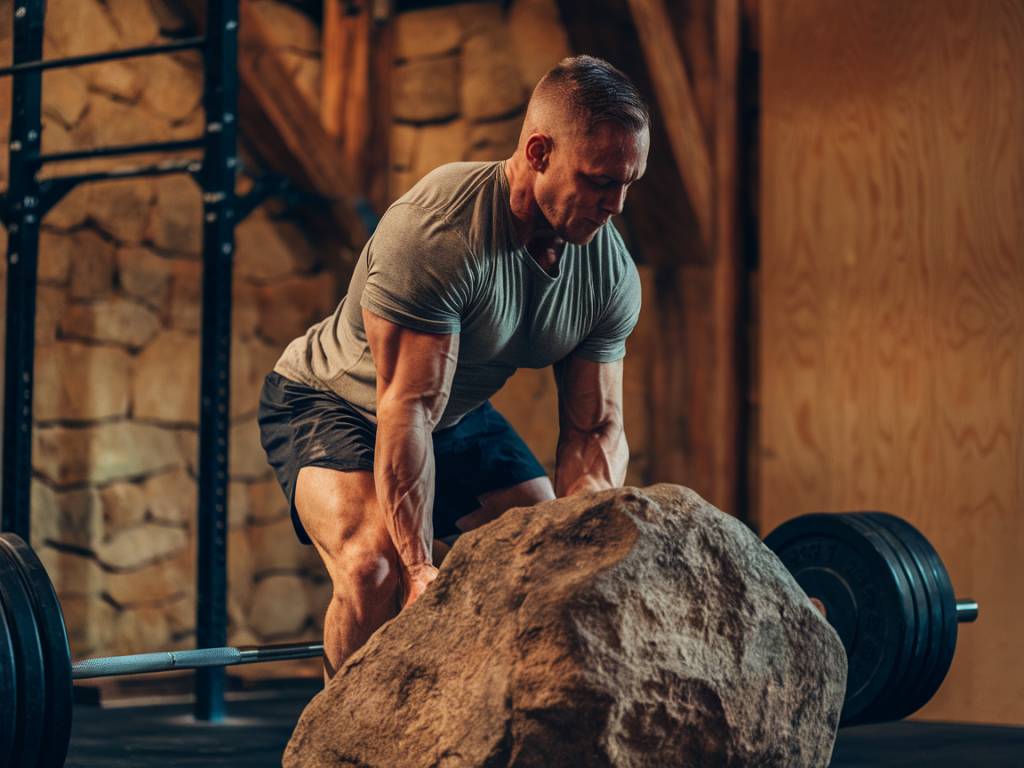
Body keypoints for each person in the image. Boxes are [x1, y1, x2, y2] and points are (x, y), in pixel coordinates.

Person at [258, 55, 650, 678]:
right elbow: (405, 408)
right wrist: (419, 569)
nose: (617, 204)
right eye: (600, 180)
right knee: (374, 568)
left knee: (539, 549)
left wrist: (580, 549)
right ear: (539, 151)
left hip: (452, 413)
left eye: (630, 183)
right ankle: (346, 742)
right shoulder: (439, 231)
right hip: (332, 402)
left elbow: (594, 431)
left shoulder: (606, 271)